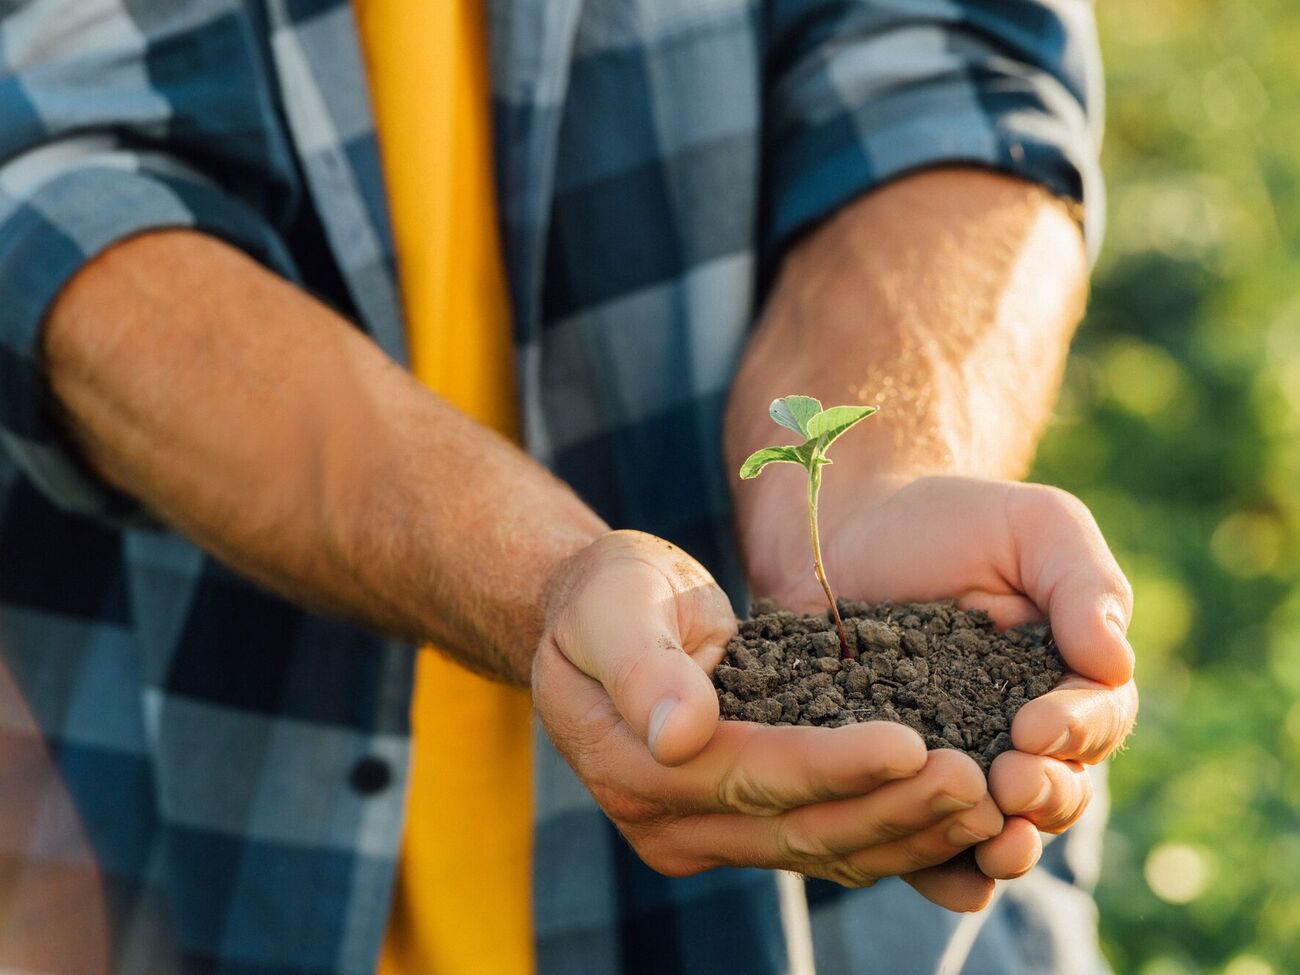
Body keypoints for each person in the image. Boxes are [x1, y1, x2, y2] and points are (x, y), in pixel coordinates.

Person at [0, 1, 1137, 973]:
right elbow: (62, 191)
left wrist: (884, 467)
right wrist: (543, 575)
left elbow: (942, 66)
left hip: (829, 925)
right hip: (158, 842)